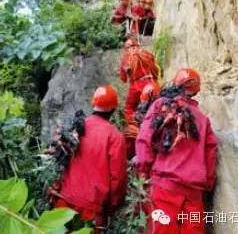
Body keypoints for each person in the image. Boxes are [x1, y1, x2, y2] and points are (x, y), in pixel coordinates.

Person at [136, 69, 218, 234]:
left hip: (164, 188)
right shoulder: (203, 119)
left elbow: (145, 140)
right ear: (196, 90)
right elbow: (211, 155)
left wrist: (143, 174)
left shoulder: (161, 105)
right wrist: (206, 186)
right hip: (194, 195)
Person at [55, 85, 127, 233]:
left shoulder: (75, 128)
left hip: (64, 200)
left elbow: (60, 161)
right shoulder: (115, 137)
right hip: (91, 209)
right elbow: (117, 178)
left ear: (93, 104)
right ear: (113, 109)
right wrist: (112, 206)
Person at [120, 38, 160, 159]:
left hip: (136, 86)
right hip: (152, 83)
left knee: (129, 109)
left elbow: (123, 79)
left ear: (126, 48)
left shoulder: (126, 58)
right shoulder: (147, 53)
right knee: (156, 108)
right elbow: (156, 70)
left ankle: (136, 129)